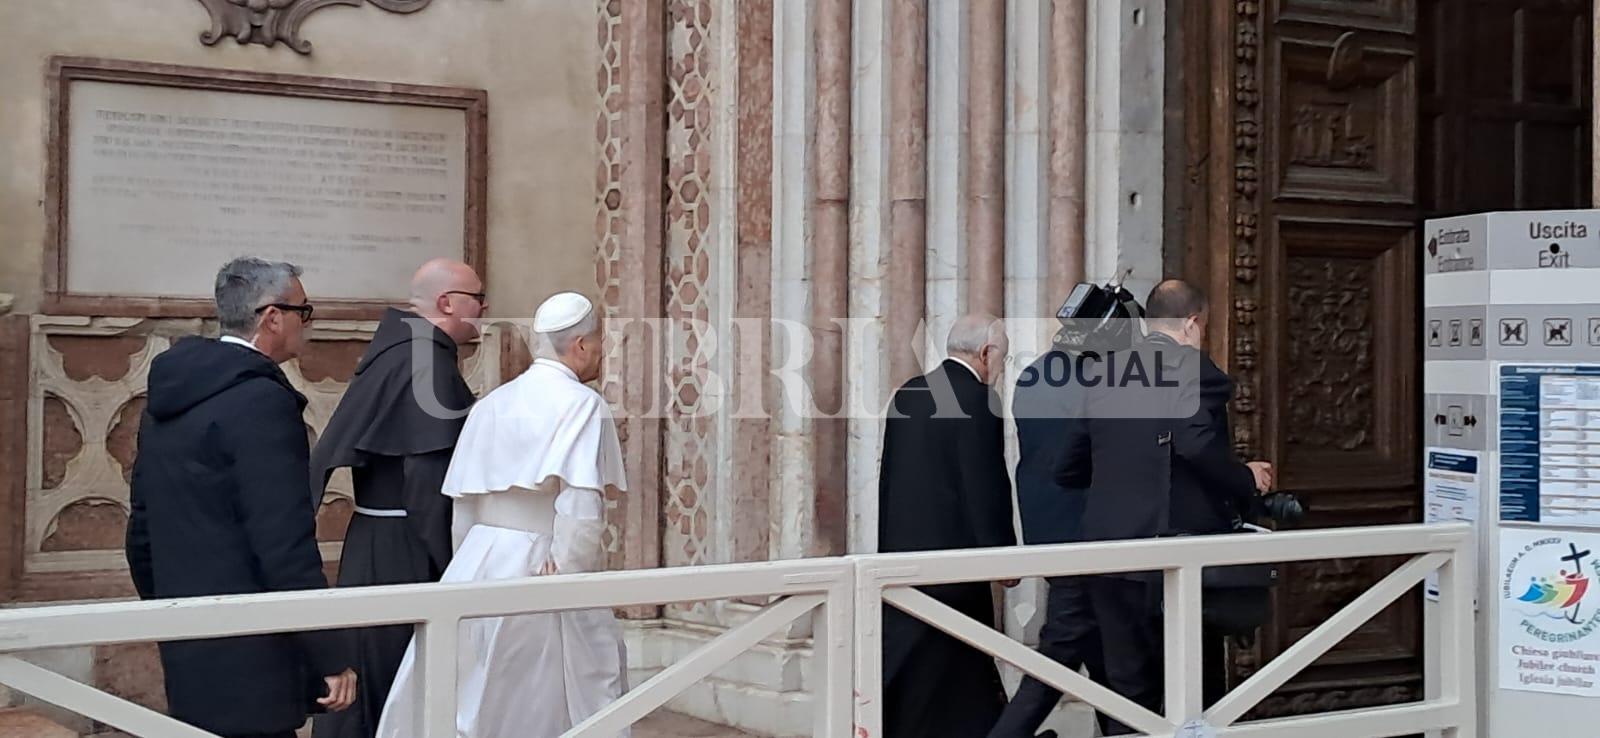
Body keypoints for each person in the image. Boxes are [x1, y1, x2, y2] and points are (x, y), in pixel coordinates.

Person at [377, 291, 628, 738]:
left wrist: (467, 563)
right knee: (541, 698)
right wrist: (573, 574)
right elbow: (580, 505)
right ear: (582, 346)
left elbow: (463, 504)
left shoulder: (492, 402)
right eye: (599, 342)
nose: (602, 352)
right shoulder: (582, 404)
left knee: (465, 687)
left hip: (477, 560)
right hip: (542, 562)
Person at [126, 257, 357, 738]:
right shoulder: (261, 402)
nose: (307, 324)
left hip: (189, 634)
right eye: (303, 311)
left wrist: (169, 615)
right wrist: (329, 653)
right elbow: (283, 542)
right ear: (272, 317)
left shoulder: (170, 395)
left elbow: (142, 532)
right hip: (254, 646)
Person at [1054, 280, 1273, 735]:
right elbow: (1196, 444)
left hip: (1107, 553)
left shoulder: (1105, 372)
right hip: (1172, 559)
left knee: (1126, 691)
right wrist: (1246, 478)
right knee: (1193, 691)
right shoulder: (1192, 366)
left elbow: (1068, 467)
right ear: (1193, 324)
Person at [311, 259, 485, 738]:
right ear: (448, 303)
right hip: (406, 545)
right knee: (394, 683)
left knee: (369, 674)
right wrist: (454, 562)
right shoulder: (425, 362)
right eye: (478, 298)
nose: (485, 310)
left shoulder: (399, 351)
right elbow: (426, 481)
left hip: (373, 537)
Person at [877, 314, 1019, 738]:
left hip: (904, 565)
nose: (1000, 371)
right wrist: (1002, 558)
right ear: (986, 354)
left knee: (921, 685)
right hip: (954, 573)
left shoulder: (908, 394)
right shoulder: (977, 401)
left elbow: (889, 484)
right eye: (1002, 361)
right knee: (953, 684)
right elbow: (985, 485)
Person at [988, 333, 1112, 738]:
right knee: (1062, 652)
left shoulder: (1033, 374)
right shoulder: (1093, 383)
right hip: (1088, 541)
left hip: (1051, 535)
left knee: (1108, 660)